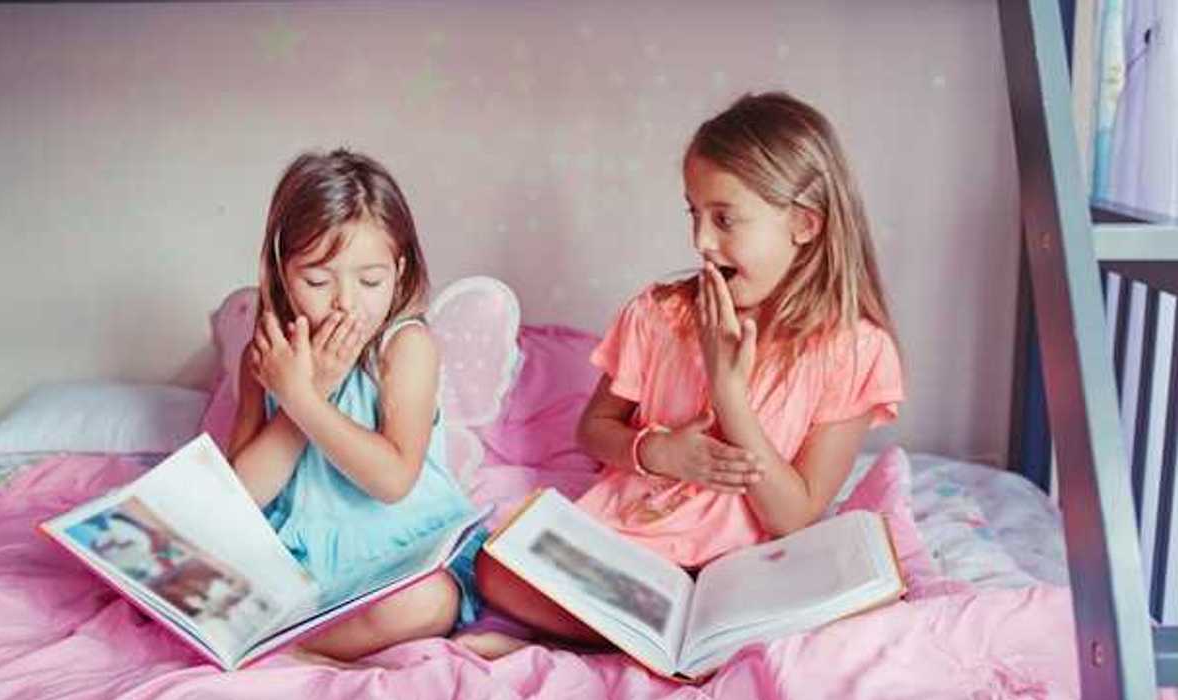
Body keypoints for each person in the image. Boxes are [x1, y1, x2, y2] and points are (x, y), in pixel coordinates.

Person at [460, 92, 905, 658]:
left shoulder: (854, 351)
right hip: (633, 551)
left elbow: (794, 515)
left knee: (863, 604)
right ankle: (643, 637)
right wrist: (660, 452)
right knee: (500, 567)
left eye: (725, 219)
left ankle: (644, 640)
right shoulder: (660, 314)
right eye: (694, 214)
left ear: (804, 225)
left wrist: (729, 396)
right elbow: (594, 429)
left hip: (747, 574)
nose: (701, 241)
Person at [228, 148, 486, 662]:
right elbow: (239, 497)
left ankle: (291, 648)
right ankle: (299, 635)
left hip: (398, 555)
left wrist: (305, 399)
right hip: (299, 562)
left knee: (429, 603)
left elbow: (392, 480)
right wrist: (305, 386)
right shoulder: (266, 357)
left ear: (399, 268)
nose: (347, 302)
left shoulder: (406, 347)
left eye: (370, 280)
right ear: (282, 274)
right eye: (319, 281)